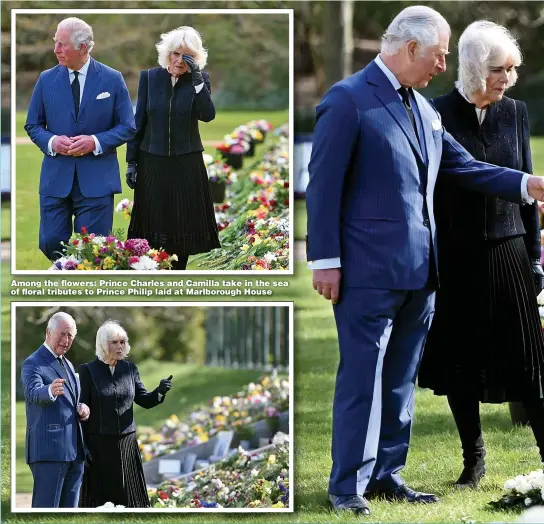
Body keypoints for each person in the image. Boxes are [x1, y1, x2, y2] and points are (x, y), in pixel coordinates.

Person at [305, 5, 544, 516]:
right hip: (366, 274)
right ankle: (346, 487)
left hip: (423, 272)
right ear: (411, 48)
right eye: (438, 55)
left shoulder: (424, 108)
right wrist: (324, 260)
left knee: (399, 382)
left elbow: (464, 166)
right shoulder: (347, 101)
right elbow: (321, 188)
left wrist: (527, 184)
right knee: (362, 382)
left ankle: (388, 475)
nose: (443, 66)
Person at [418, 21, 544, 489]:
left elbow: (527, 185)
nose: (507, 78)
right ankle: (474, 461)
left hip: (510, 250)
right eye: (498, 69)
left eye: (512, 68)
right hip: (457, 255)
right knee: (462, 365)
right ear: (472, 67)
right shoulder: (435, 113)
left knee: (530, 362)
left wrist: (534, 257)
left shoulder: (515, 112)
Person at [24, 17, 136, 263]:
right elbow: (32, 125)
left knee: (93, 250)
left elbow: (128, 126)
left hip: (97, 181)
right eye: (56, 43)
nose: (56, 50)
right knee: (50, 241)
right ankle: (69, 272)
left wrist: (95, 141)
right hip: (55, 179)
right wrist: (52, 141)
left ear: (83, 47)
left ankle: (81, 293)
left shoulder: (112, 78)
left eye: (62, 44)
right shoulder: (46, 80)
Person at [125, 26, 220, 270]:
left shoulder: (200, 81)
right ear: (167, 54)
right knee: (152, 224)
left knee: (182, 223)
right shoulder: (149, 78)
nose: (179, 61)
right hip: (152, 161)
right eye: (176, 54)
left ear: (195, 59)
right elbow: (139, 123)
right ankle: (151, 272)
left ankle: (178, 273)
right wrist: (132, 162)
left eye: (186, 56)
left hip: (186, 163)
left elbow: (207, 115)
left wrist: (198, 79)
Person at [78, 320, 172, 508]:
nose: (120, 346)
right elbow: (81, 411)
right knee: (100, 501)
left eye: (123, 342)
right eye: (115, 342)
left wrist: (160, 391)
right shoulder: (87, 370)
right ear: (103, 344)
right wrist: (83, 447)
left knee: (129, 501)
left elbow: (144, 400)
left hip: (127, 443)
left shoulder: (130, 369)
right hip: (98, 446)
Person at [21, 312, 90, 508]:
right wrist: (49, 390)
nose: (66, 340)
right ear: (48, 332)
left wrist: (81, 408)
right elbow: (34, 393)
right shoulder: (33, 363)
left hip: (74, 452)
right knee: (46, 513)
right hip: (49, 452)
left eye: (70, 336)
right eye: (62, 334)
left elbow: (69, 401)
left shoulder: (67, 363)